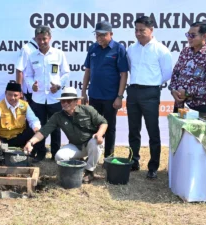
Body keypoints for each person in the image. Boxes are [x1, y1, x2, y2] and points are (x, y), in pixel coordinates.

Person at [24, 87, 108, 183]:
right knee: (59, 156)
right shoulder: (58, 116)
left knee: (95, 142)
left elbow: (103, 122)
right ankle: (78, 163)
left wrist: (99, 134)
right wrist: (30, 142)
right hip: (75, 146)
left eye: (68, 101)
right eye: (63, 101)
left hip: (90, 143)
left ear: (76, 101)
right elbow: (43, 132)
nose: (65, 103)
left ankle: (89, 171)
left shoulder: (87, 110)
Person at [126, 16, 172, 179]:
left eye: (142, 30)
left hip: (151, 92)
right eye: (136, 30)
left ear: (151, 30)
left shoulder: (161, 49)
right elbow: (130, 68)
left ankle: (153, 166)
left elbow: (166, 73)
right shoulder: (131, 48)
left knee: (153, 130)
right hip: (133, 91)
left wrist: (152, 83)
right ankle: (134, 161)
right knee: (133, 129)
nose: (138, 33)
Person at [82, 21, 129, 158]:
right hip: (94, 95)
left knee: (109, 127)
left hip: (110, 97)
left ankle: (108, 156)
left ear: (111, 34)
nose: (99, 38)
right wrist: (83, 92)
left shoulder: (119, 49)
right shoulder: (93, 48)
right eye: (97, 35)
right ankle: (93, 155)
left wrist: (119, 96)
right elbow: (88, 71)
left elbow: (124, 74)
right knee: (93, 126)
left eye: (103, 35)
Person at [26, 25, 70, 162]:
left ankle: (56, 153)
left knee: (56, 126)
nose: (42, 42)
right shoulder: (32, 56)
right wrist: (31, 85)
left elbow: (66, 73)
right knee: (39, 126)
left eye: (44, 38)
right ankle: (40, 152)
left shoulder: (58, 54)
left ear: (50, 38)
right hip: (38, 98)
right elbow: (28, 75)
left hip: (54, 97)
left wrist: (58, 86)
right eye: (39, 39)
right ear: (35, 39)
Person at [0, 80, 42, 165]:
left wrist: (36, 127)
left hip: (19, 137)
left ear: (20, 95)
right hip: (2, 138)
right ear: (5, 93)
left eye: (15, 95)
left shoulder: (25, 105)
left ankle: (27, 154)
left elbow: (33, 119)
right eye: (10, 94)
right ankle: (3, 160)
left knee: (38, 133)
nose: (12, 98)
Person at [169, 22, 206, 113]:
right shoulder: (185, 51)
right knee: (178, 127)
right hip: (180, 104)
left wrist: (187, 93)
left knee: (194, 128)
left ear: (204, 36)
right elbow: (175, 73)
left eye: (192, 35)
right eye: (188, 34)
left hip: (199, 106)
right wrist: (173, 90)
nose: (189, 38)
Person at [15, 36, 39, 105]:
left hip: (41, 92)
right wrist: (18, 90)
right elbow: (19, 69)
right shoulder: (26, 49)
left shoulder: (42, 49)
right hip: (31, 91)